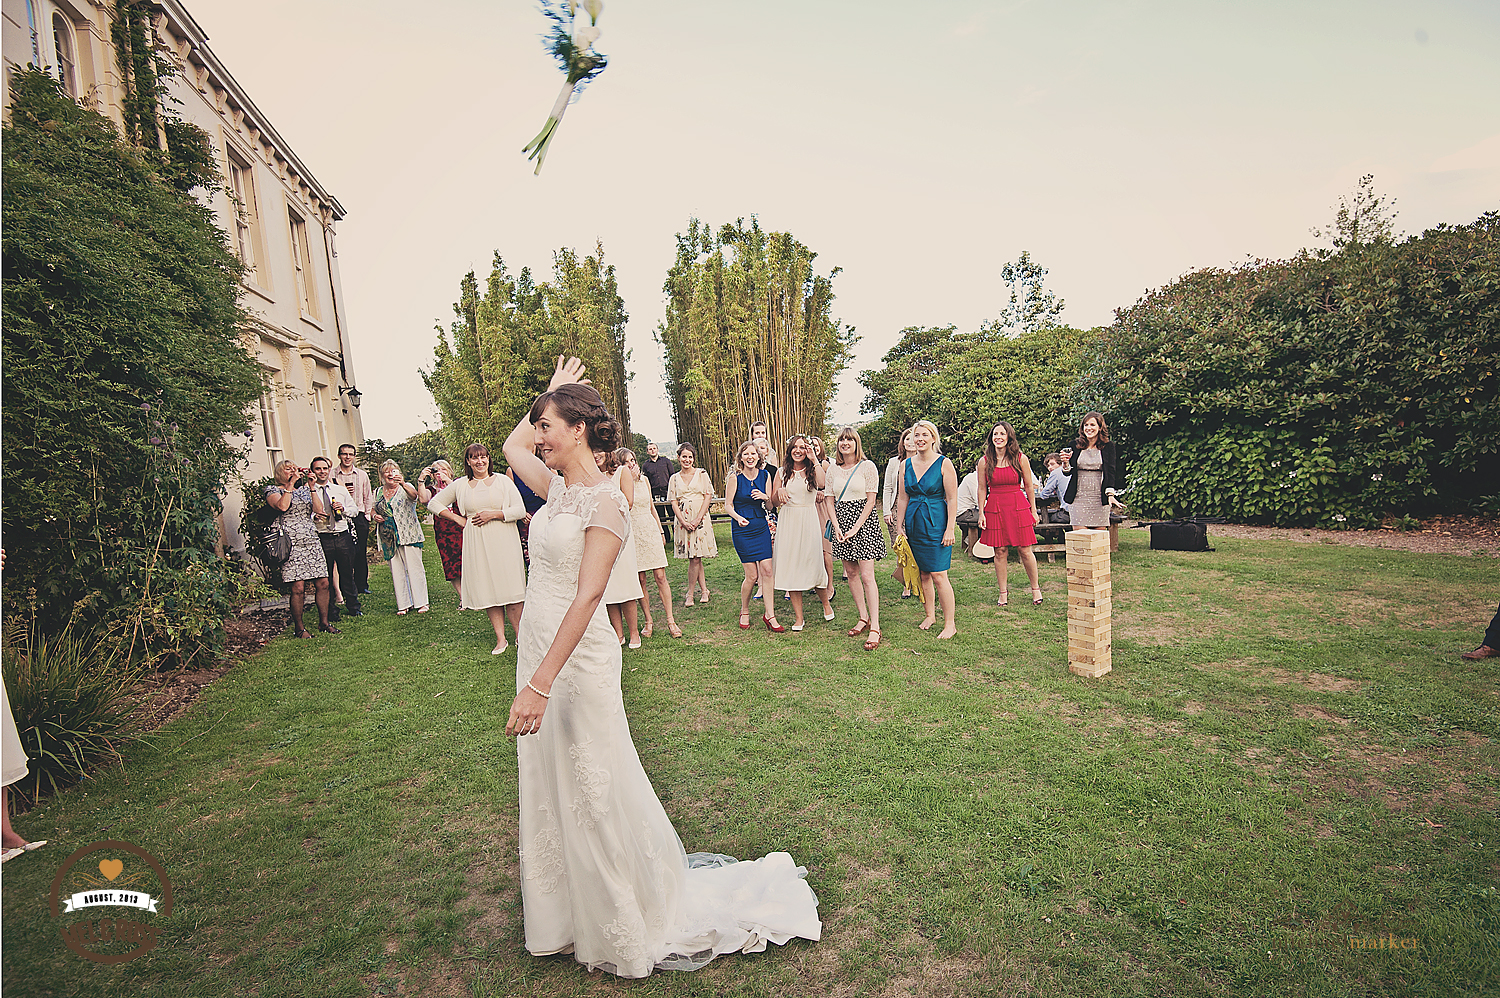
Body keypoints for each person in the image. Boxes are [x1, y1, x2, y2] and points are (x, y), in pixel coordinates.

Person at [501, 357, 820, 978]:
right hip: (536, 641)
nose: (539, 436)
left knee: (594, 781)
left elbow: (590, 595)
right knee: (552, 779)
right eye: (541, 426)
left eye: (549, 425)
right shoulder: (556, 489)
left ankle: (621, 917)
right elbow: (514, 443)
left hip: (577, 658)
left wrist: (541, 684)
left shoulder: (607, 504)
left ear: (580, 431)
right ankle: (566, 914)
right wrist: (549, 393)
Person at [428, 444, 528, 654]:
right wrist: (457, 518)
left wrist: (495, 514)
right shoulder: (461, 485)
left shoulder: (502, 480)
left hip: (504, 538)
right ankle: (501, 638)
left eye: (483, 457)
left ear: (489, 459)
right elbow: (434, 503)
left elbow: (519, 510)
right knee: (488, 588)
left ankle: (520, 635)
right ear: (468, 462)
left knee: (511, 587)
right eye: (475, 458)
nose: (480, 462)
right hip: (477, 540)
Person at [895, 421, 958, 639]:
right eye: (916, 435)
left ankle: (950, 624)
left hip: (936, 521)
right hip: (914, 522)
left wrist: (950, 528)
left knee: (939, 574)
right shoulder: (905, 465)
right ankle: (930, 615)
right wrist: (899, 525)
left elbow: (951, 498)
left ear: (933, 438)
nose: (920, 439)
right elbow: (903, 497)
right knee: (922, 573)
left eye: (924, 435)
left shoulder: (944, 463)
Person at [828, 426, 886, 651]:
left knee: (867, 575)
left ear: (856, 443)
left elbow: (871, 501)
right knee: (851, 573)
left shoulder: (867, 466)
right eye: (842, 440)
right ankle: (863, 617)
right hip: (841, 523)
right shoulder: (833, 469)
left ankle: (876, 626)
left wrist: (855, 528)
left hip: (864, 523)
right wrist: (836, 526)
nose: (845, 443)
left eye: (849, 440)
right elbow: (829, 500)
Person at [265, 459, 335, 637]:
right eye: (289, 469)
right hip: (290, 542)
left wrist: (312, 487)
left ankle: (324, 623)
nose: (294, 472)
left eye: (295, 469)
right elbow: (282, 506)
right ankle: (299, 627)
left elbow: (319, 510)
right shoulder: (272, 490)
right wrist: (290, 484)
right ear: (280, 472)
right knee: (298, 587)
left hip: (310, 538)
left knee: (323, 582)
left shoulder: (304, 490)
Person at [978, 421, 1043, 606]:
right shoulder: (984, 461)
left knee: (1024, 549)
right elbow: (982, 489)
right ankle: (1003, 593)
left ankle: (1036, 589)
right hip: (995, 506)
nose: (998, 437)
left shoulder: (1020, 458)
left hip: (1018, 505)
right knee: (1000, 551)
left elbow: (1029, 486)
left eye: (1002, 434)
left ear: (1009, 437)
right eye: (995, 434)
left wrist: (1033, 510)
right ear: (991, 438)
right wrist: (981, 513)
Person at [771, 435, 832, 630]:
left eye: (802, 447)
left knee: (813, 563)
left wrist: (814, 459)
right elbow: (772, 502)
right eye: (794, 447)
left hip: (808, 520)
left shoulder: (814, 470)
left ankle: (826, 603)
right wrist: (778, 492)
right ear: (789, 450)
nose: (798, 450)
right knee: (791, 568)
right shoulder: (781, 473)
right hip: (788, 521)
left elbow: (822, 484)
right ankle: (799, 617)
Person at [620, 448, 681, 639]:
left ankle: (671, 620)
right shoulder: (620, 484)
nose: (631, 464)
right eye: (626, 462)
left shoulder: (644, 480)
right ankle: (648, 620)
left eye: (633, 460)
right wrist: (627, 480)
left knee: (661, 576)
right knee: (641, 579)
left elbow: (652, 507)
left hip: (649, 528)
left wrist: (660, 530)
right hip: (633, 532)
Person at [726, 440, 781, 632]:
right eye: (746, 454)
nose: (750, 457)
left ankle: (770, 615)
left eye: (753, 454)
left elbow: (769, 506)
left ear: (759, 457)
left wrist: (766, 498)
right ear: (741, 457)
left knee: (767, 570)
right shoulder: (735, 477)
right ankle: (745, 610)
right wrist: (738, 518)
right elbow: (728, 505)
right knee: (751, 575)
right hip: (742, 528)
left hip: (760, 526)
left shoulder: (765, 475)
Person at [597, 450, 645, 648]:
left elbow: (629, 503)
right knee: (608, 587)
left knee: (625, 584)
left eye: (599, 451)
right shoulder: (592, 476)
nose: (595, 455)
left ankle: (634, 632)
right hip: (599, 537)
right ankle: (618, 633)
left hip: (620, 534)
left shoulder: (622, 472)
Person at [372, 460, 430, 615]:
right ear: (382, 475)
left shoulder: (407, 487)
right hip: (388, 536)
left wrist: (403, 483)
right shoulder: (378, 491)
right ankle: (404, 604)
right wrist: (374, 516)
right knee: (396, 569)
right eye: (387, 471)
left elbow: (414, 497)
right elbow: (372, 509)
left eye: (394, 471)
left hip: (408, 533)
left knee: (414, 568)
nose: (391, 474)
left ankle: (422, 602)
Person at [309, 456, 363, 620]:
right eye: (318, 469)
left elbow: (354, 511)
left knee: (347, 573)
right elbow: (304, 515)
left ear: (328, 470)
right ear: (313, 471)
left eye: (324, 468)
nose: (322, 472)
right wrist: (313, 518)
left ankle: (354, 607)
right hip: (322, 537)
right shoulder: (308, 492)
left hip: (341, 535)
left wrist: (343, 508)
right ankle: (331, 611)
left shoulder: (339, 489)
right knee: (326, 578)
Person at [667, 443, 717, 605]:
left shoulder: (702, 473)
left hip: (700, 518)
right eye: (684, 456)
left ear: (693, 459)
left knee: (696, 557)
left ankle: (690, 593)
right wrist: (683, 521)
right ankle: (704, 590)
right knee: (694, 557)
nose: (687, 460)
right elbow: (673, 501)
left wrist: (697, 519)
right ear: (678, 457)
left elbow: (708, 496)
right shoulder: (674, 478)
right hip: (683, 519)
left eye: (690, 457)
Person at [1064, 412, 1123, 529]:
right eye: (1086, 425)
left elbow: (1111, 472)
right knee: (1081, 538)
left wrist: (1110, 494)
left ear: (1100, 427)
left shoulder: (1108, 446)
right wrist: (1065, 463)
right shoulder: (1074, 445)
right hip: (1078, 496)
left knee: (1098, 540)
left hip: (1099, 496)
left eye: (1092, 425)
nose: (1089, 428)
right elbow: (1068, 472)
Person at [333, 443, 374, 595]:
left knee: (360, 552)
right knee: (344, 553)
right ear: (339, 456)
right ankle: (345, 587)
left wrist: (367, 516)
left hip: (359, 516)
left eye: (351, 454)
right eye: (344, 454)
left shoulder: (361, 475)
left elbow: (368, 496)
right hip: (341, 518)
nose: (347, 457)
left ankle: (362, 585)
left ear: (354, 456)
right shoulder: (333, 475)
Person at [418, 460, 464, 599]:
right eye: (436, 471)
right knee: (450, 564)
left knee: (467, 561)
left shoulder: (457, 483)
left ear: (449, 471)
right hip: (443, 530)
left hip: (460, 527)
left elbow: (462, 494)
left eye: (443, 470)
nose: (440, 473)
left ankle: (474, 594)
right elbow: (422, 499)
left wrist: (447, 480)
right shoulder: (432, 490)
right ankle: (462, 597)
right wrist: (421, 480)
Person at [883, 428, 916, 598]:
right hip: (897, 508)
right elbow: (888, 487)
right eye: (907, 439)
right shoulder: (894, 462)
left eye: (913, 438)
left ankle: (920, 581)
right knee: (901, 547)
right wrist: (886, 511)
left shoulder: (924, 462)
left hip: (917, 507)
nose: (910, 442)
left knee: (916, 546)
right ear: (902, 442)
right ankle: (907, 585)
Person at [640, 440, 675, 537]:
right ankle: (666, 537)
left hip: (668, 492)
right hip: (656, 494)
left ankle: (677, 536)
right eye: (650, 449)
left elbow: (672, 477)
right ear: (647, 452)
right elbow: (645, 480)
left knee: (673, 515)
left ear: (657, 450)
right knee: (661, 517)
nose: (652, 451)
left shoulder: (666, 461)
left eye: (654, 448)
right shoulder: (646, 465)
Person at [1035, 452, 1072, 523]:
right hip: (1078, 511)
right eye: (1048, 466)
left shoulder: (1056, 473)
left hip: (1068, 512)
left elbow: (1044, 495)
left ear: (1061, 463)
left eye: (1052, 464)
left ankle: (1059, 534)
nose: (1050, 467)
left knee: (1045, 521)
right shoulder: (1072, 470)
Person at [955, 468, 981, 554]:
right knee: (992, 516)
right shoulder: (973, 478)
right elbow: (979, 500)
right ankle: (974, 545)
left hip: (971, 510)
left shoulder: (978, 478)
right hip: (964, 512)